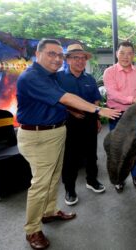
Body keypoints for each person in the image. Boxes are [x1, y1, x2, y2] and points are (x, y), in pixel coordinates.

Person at [16, 38, 120, 249]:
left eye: (58, 55)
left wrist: (92, 112)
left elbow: (65, 100)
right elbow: (65, 98)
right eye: (51, 54)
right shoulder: (32, 77)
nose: (56, 58)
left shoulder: (52, 76)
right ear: (38, 54)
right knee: (41, 184)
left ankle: (50, 212)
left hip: (55, 131)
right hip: (38, 136)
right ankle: (32, 230)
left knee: (54, 177)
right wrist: (98, 110)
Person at [57, 44, 105, 206]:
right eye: (75, 57)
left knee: (92, 153)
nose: (80, 61)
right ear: (68, 59)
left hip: (90, 121)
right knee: (70, 157)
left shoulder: (90, 78)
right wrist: (72, 111)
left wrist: (97, 119)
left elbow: (96, 99)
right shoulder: (58, 78)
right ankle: (70, 189)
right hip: (68, 122)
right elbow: (56, 99)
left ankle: (92, 180)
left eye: (82, 57)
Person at [103, 41, 136, 193]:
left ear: (133, 56)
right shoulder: (109, 72)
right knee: (117, 150)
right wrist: (133, 99)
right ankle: (118, 179)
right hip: (116, 115)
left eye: (129, 53)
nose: (125, 56)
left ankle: (135, 175)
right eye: (122, 52)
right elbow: (112, 94)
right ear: (117, 53)